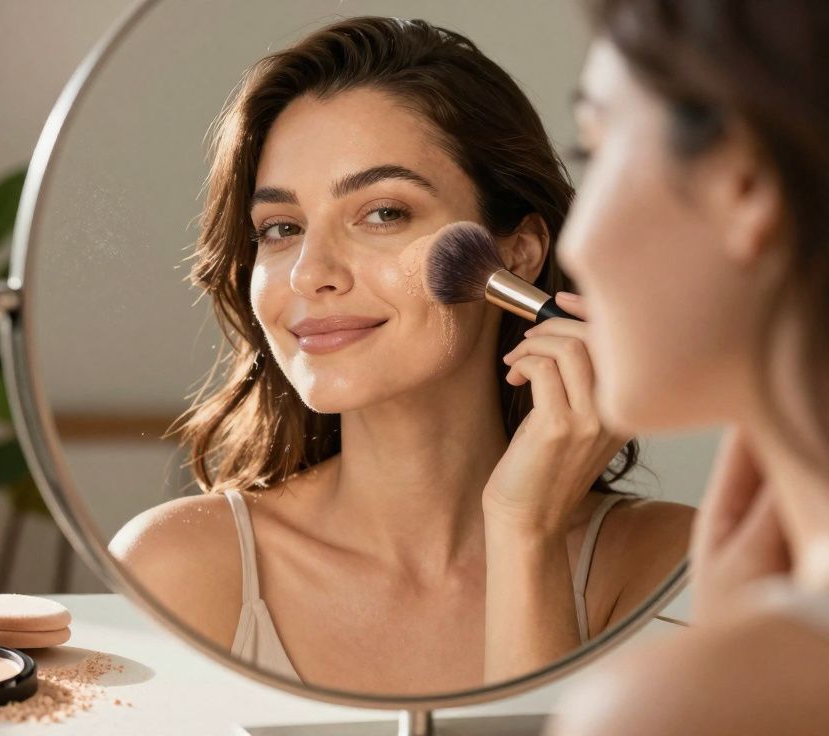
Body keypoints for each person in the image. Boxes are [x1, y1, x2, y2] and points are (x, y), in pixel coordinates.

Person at [107, 17, 691, 694]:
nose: (309, 272)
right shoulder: (180, 569)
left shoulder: (668, 565)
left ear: (516, 254)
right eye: (281, 228)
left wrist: (525, 534)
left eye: (383, 213)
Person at [548, 1, 829, 733]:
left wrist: (731, 666)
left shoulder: (676, 709)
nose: (573, 248)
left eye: (594, 147)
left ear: (745, 181)